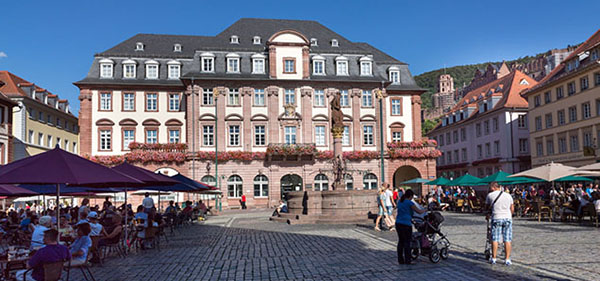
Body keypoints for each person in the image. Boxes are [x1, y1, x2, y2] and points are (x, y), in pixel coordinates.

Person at [485, 182, 514, 266]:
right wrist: (509, 216)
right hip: (507, 218)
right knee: (507, 239)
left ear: (493, 187)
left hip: (497, 217)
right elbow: (512, 208)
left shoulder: (490, 195)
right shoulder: (508, 196)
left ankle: (494, 258)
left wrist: (487, 215)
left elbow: (486, 208)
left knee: (495, 239)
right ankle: (507, 259)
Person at [395, 189, 425, 265]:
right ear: (411, 196)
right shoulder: (409, 202)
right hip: (406, 224)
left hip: (398, 223)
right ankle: (408, 260)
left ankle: (400, 260)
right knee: (407, 242)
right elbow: (418, 211)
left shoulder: (400, 202)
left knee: (400, 242)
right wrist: (425, 210)